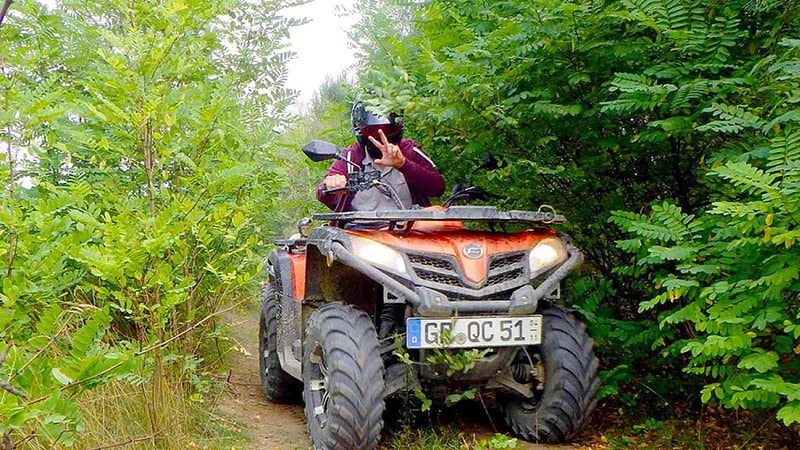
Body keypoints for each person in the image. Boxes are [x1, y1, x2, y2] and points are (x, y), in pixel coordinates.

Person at [315, 101, 445, 211]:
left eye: (388, 130)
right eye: (372, 131)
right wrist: (330, 185)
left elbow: (437, 188)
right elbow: (323, 194)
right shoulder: (350, 157)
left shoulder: (409, 150)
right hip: (361, 232)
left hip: (410, 231)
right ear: (360, 130)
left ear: (398, 128)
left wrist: (404, 165)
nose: (380, 137)